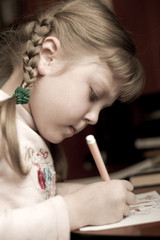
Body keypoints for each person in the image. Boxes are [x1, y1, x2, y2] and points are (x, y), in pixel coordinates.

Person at [0, 0, 144, 239]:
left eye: (102, 108)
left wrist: (64, 193)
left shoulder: (27, 129)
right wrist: (75, 210)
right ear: (48, 57)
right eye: (93, 94)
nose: (94, 118)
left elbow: (16, 201)